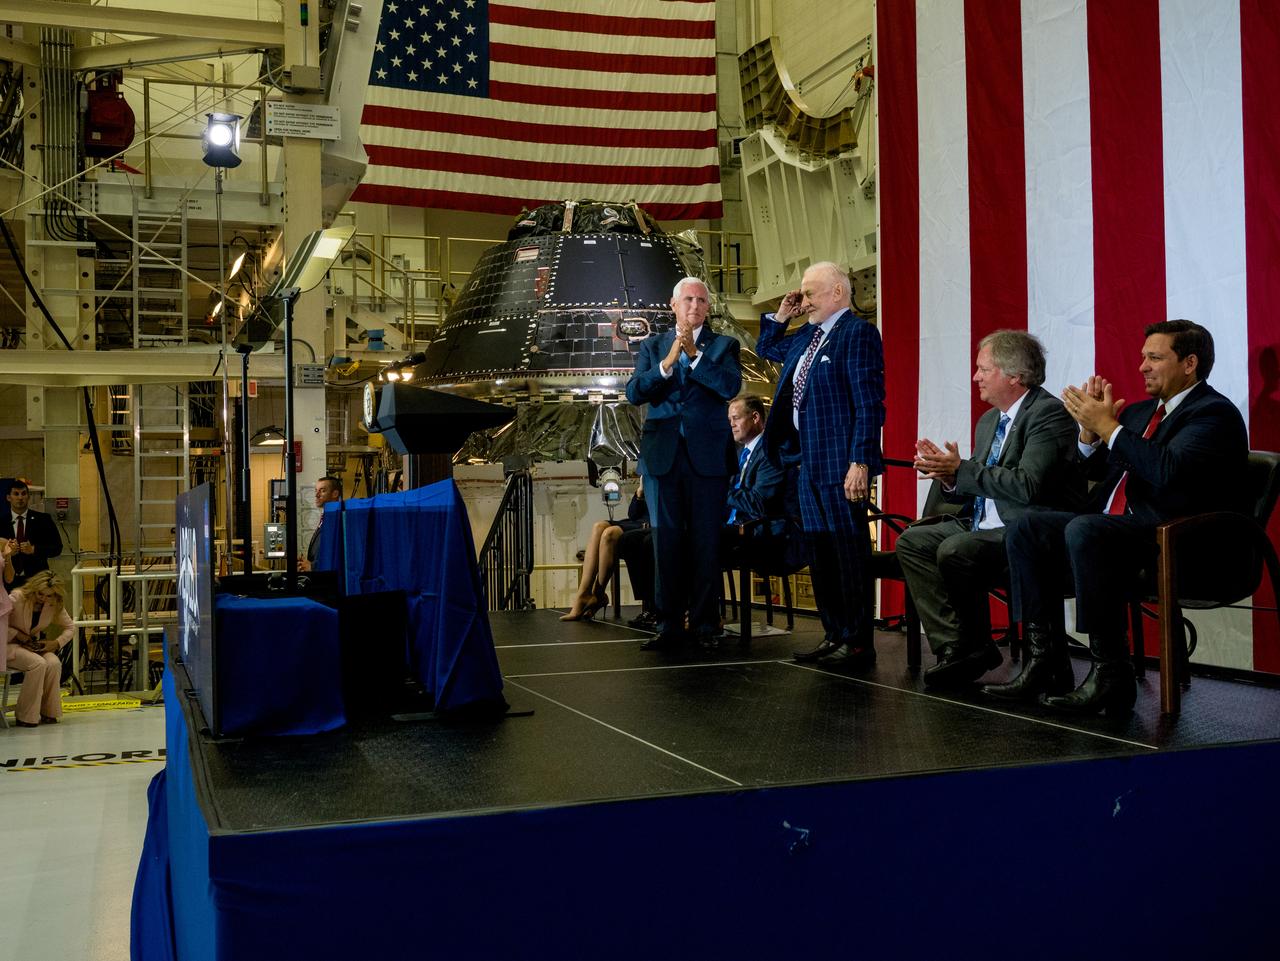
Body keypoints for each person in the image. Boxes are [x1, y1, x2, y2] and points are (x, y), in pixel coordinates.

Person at [1001, 319, 1249, 715]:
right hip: (1117, 532)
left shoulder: (1214, 414)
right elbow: (1097, 469)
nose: (1142, 367)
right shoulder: (1138, 414)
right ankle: (1044, 661)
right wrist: (1088, 435)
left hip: (1176, 541)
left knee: (1087, 529)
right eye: (1142, 357)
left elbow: (1167, 470)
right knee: (1028, 526)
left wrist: (1110, 427)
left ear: (1189, 363)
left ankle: (1111, 673)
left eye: (1154, 357)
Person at [898, 330, 1085, 691]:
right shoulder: (989, 421)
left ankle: (978, 646)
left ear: (1014, 376)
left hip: (1026, 530)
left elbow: (1027, 486)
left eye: (983, 369)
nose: (976, 376)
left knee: (956, 550)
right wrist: (948, 478)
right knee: (913, 541)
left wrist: (962, 470)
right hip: (980, 522)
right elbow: (978, 483)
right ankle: (961, 646)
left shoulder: (1048, 415)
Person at [758, 262, 885, 670]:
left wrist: (860, 461)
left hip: (840, 465)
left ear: (837, 293)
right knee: (821, 553)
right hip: (805, 464)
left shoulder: (858, 334)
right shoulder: (806, 337)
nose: (805, 300)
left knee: (848, 554)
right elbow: (767, 350)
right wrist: (781, 316)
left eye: (811, 293)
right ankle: (834, 634)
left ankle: (858, 641)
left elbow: (869, 404)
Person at [626, 276, 741, 651]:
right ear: (672, 305)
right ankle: (668, 625)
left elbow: (728, 388)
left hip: (708, 458)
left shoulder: (724, 345)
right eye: (687, 299)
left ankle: (707, 624)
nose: (694, 306)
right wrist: (667, 363)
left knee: (706, 543)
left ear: (708, 308)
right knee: (665, 543)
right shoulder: (653, 345)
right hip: (663, 457)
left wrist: (695, 355)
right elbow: (634, 392)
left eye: (701, 301)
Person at [561, 482, 649, 622]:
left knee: (609, 534)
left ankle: (599, 593)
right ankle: (583, 593)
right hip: (637, 522)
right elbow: (633, 515)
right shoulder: (646, 477)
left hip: (651, 524)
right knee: (599, 526)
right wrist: (639, 494)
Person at [5, 569, 73, 726]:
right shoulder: (17, 597)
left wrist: (56, 643)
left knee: (54, 663)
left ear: (55, 595)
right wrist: (18, 634)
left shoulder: (53, 603)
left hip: (29, 645)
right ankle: (25, 715)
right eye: (40, 594)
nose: (43, 599)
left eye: (49, 595)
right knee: (38, 663)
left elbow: (70, 627)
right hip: (7, 645)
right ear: (34, 588)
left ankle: (48, 711)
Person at [1, 479, 64, 588]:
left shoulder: (44, 520)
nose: (20, 498)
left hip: (37, 581)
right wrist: (7, 554)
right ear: (8, 498)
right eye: (16, 494)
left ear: (28, 497)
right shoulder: (0, 522)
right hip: (8, 581)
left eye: (24, 494)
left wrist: (34, 549)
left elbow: (57, 548)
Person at [299, 475, 342, 572]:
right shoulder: (326, 518)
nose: (316, 495)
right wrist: (307, 563)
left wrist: (313, 566)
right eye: (316, 490)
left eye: (322, 490)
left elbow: (339, 555)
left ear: (335, 493)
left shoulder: (339, 520)